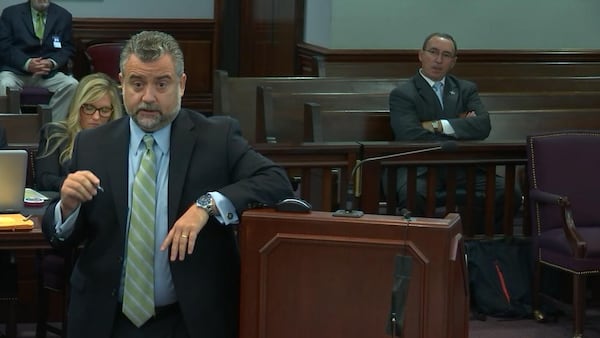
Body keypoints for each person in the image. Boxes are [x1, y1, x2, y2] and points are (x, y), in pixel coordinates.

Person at [42, 30, 294, 338]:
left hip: (189, 320)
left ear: (182, 84)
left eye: (161, 84)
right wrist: (67, 208)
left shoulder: (217, 138)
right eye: (137, 84)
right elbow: (62, 237)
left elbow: (276, 181)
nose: (148, 97)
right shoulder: (92, 144)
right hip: (104, 320)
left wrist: (207, 205)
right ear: (121, 83)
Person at [388, 32, 520, 231]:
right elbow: (409, 134)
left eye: (446, 55)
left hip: (461, 165)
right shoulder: (403, 93)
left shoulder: (466, 89)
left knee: (509, 192)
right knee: (413, 195)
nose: (439, 60)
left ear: (453, 62)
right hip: (421, 167)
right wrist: (460, 126)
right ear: (421, 55)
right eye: (433, 52)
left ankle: (474, 244)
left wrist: (433, 125)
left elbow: (483, 125)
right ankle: (425, 252)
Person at [35, 72, 124, 191]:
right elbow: (44, 179)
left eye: (104, 110)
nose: (96, 117)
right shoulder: (54, 134)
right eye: (89, 108)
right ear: (78, 106)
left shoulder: (120, 141)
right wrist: (74, 187)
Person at [0, 0, 78, 121]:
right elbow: (4, 46)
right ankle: (17, 130)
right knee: (5, 84)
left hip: (48, 73)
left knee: (72, 85)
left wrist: (52, 62)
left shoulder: (63, 15)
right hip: (17, 71)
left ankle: (51, 129)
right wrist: (27, 63)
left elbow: (68, 47)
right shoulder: (11, 14)